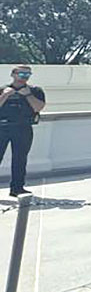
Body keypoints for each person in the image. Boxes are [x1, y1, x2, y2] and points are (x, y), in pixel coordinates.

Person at [1, 65, 45, 196]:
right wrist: (5, 95)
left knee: (20, 159)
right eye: (21, 74)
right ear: (13, 74)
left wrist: (28, 95)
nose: (24, 78)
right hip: (2, 127)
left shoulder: (35, 90)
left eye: (27, 75)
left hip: (23, 127)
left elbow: (38, 107)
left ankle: (17, 188)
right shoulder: (3, 89)